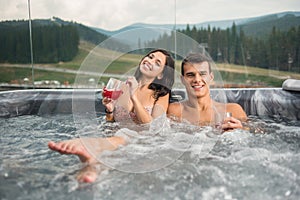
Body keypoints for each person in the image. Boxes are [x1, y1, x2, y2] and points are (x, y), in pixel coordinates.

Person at [48, 49, 175, 182]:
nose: (150, 61)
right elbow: (112, 123)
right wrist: (109, 110)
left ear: (161, 74)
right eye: (150, 56)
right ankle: (91, 169)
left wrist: (134, 96)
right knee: (118, 139)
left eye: (157, 62)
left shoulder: (161, 94)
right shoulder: (123, 87)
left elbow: (151, 125)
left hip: (146, 142)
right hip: (119, 137)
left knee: (123, 137)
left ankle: (91, 146)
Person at [167, 53, 247, 131]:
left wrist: (241, 130)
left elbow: (250, 135)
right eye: (190, 75)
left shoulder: (233, 110)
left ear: (211, 78)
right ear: (182, 80)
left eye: (202, 74)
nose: (197, 80)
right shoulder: (174, 111)